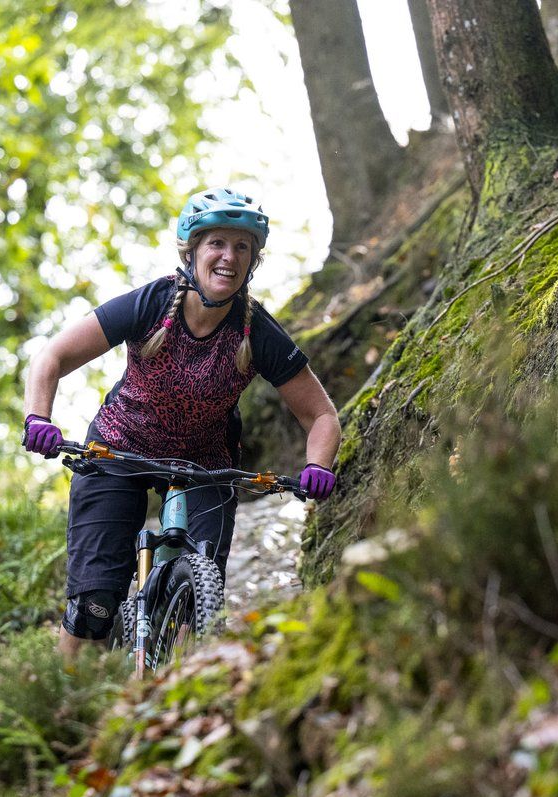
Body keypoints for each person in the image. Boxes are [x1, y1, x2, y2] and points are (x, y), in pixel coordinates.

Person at [23, 187, 341, 657]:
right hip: (118, 449)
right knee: (93, 603)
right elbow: (52, 355)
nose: (228, 257)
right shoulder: (150, 304)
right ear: (191, 251)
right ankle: (64, 712)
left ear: (252, 260)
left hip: (205, 465)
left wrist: (319, 465)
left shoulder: (258, 332)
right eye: (216, 243)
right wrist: (38, 417)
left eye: (241, 247)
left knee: (198, 609)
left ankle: (173, 689)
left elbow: (321, 415)